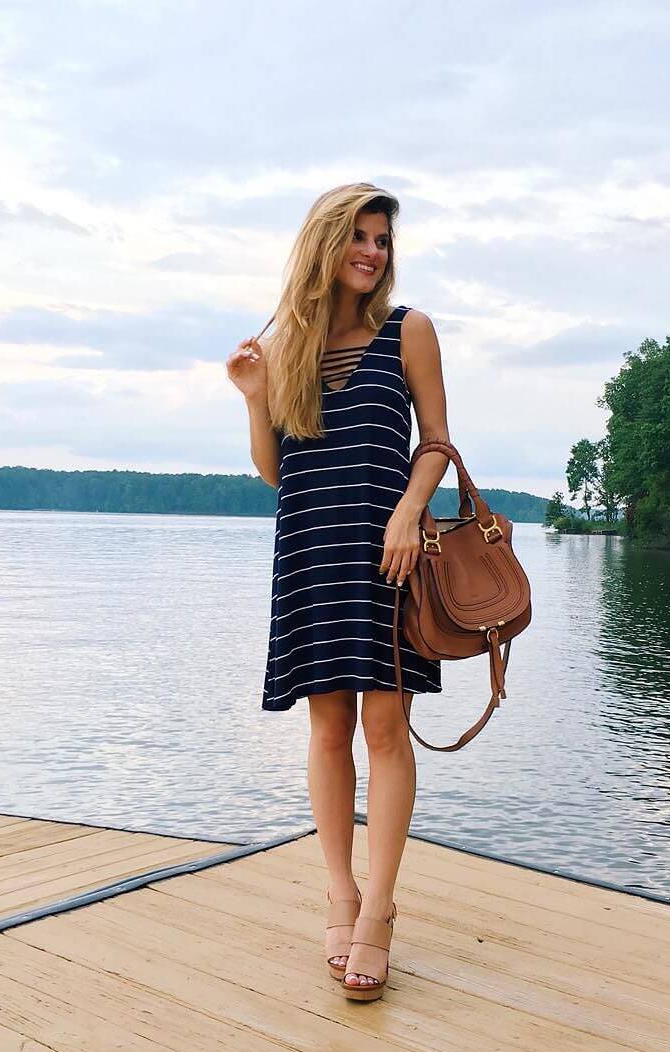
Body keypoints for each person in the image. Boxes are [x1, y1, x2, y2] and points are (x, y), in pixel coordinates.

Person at [226, 182, 451, 1002]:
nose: (373, 251)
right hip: (311, 551)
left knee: (385, 726)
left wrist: (408, 510)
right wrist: (256, 400)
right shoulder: (289, 348)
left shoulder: (409, 331)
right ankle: (339, 895)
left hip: (387, 551)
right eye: (359, 236)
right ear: (326, 243)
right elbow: (277, 472)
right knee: (328, 728)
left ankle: (379, 914)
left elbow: (436, 443)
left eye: (383, 239)